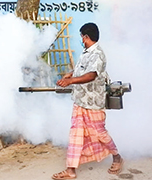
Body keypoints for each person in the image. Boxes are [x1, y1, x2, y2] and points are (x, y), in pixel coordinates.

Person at [51, 23, 123, 180]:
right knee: (75, 134)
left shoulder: (97, 54)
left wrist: (71, 82)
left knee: (99, 133)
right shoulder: (86, 52)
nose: (81, 40)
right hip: (80, 100)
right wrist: (71, 75)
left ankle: (117, 157)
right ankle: (70, 170)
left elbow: (91, 75)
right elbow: (82, 70)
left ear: (86, 37)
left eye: (82, 37)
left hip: (93, 102)